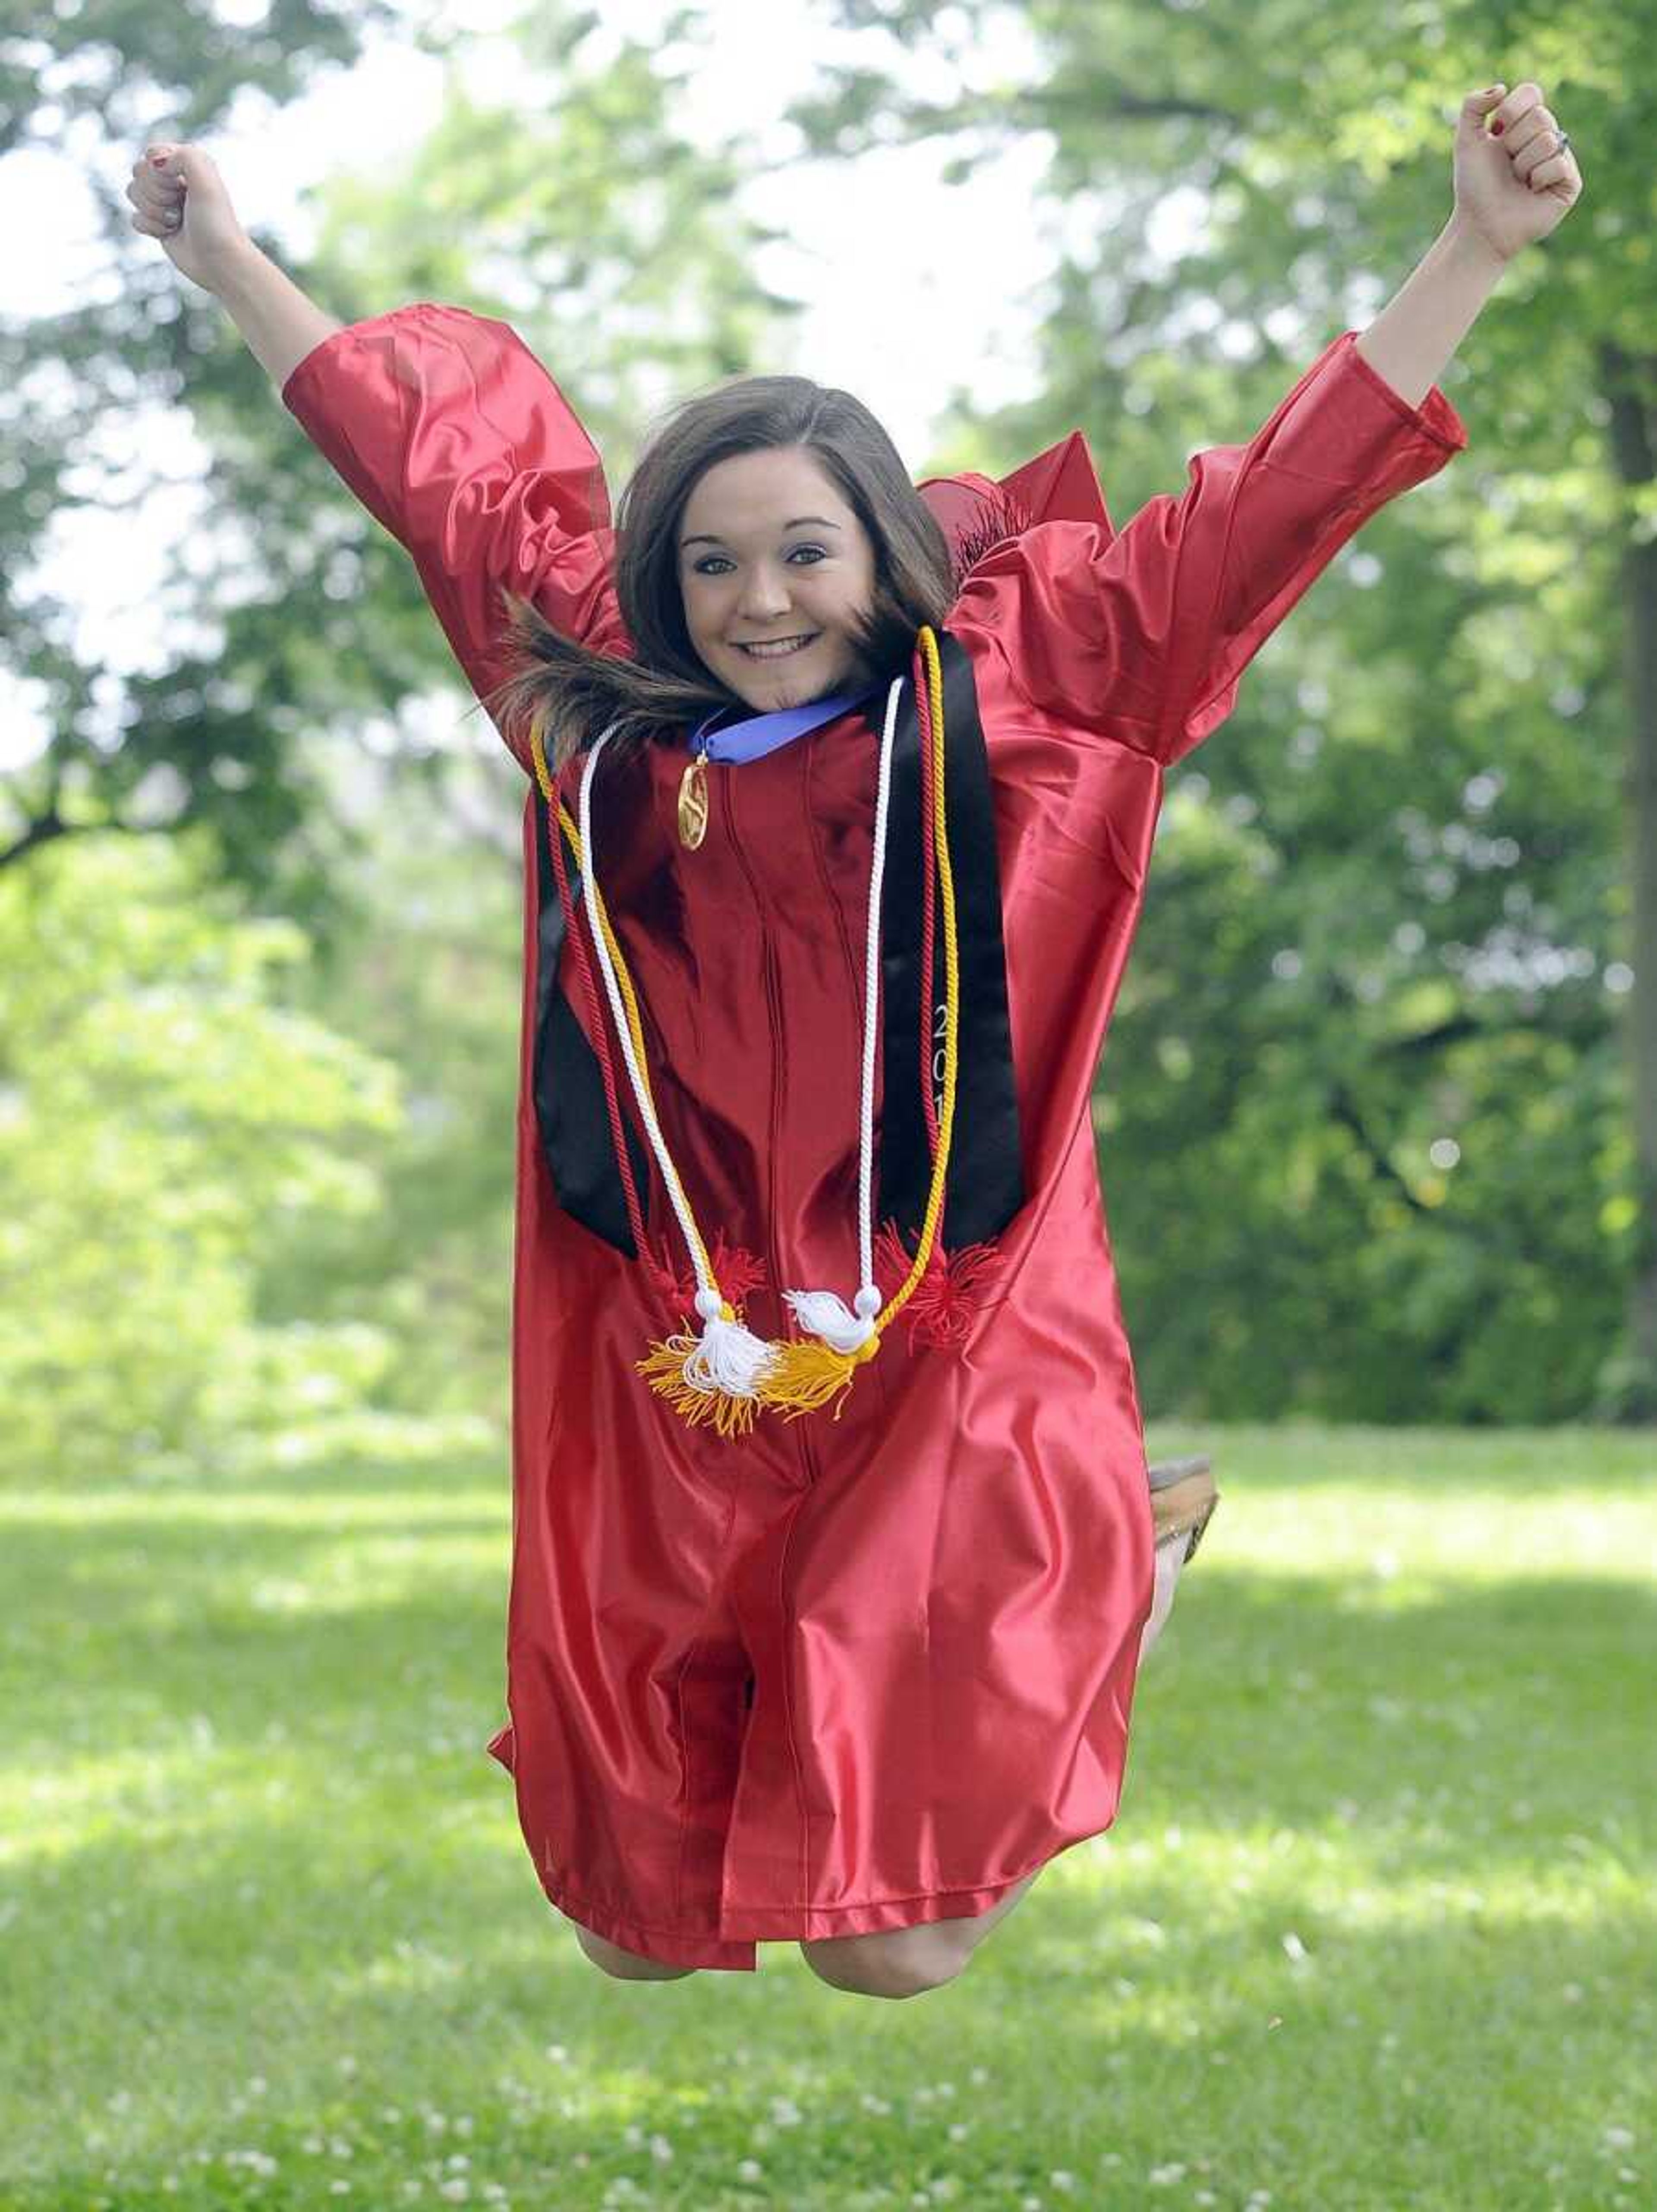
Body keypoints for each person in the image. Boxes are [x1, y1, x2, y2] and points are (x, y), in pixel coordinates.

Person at [126, 79, 1578, 1998]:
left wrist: (1470, 252)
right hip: (678, 1336)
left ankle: (1114, 1572)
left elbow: (1269, 506)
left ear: (888, 554)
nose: (759, 602)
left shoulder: (1045, 681)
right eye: (714, 562)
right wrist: (227, 258)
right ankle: (1040, 1594)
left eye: (806, 552)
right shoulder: (602, 718)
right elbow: (434, 476)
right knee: (625, 1920)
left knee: (898, 1952)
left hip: (945, 1317)